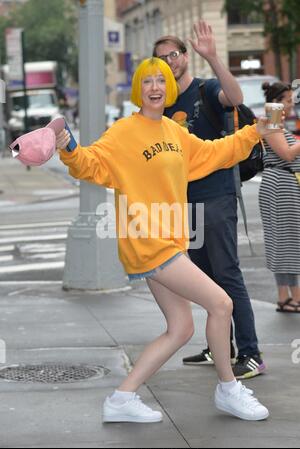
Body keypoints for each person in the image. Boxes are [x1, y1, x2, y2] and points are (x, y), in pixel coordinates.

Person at [57, 57, 275, 424]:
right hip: (147, 240)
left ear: (169, 88)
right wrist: (69, 147)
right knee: (221, 304)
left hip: (171, 241)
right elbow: (92, 164)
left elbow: (213, 153)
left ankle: (122, 397)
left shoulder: (175, 134)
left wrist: (256, 132)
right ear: (138, 89)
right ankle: (228, 388)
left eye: (161, 80)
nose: (155, 87)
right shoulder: (125, 132)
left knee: (181, 328)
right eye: (147, 81)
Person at [153, 20, 266, 380]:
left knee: (227, 272)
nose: (168, 62)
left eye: (173, 54)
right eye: (160, 58)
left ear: (185, 57)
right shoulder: (164, 104)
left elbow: (236, 99)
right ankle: (221, 344)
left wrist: (214, 57)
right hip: (183, 201)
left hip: (216, 194)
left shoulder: (205, 89)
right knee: (204, 276)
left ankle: (251, 353)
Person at [259, 82, 300, 314]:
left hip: (286, 184)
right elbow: (285, 154)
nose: (289, 105)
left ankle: (288, 296)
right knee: (286, 242)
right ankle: (289, 297)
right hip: (280, 184)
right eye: (286, 100)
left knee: (288, 242)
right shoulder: (272, 120)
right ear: (276, 101)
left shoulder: (277, 123)